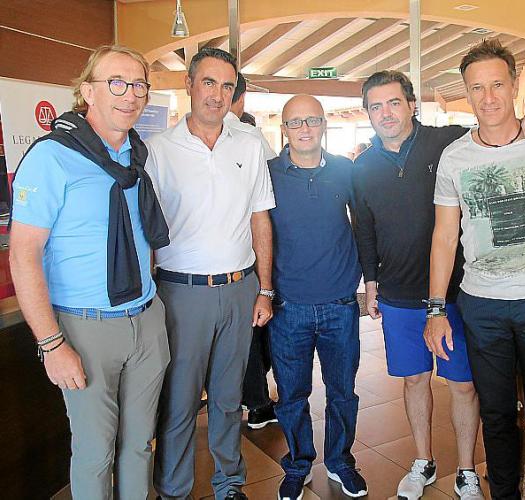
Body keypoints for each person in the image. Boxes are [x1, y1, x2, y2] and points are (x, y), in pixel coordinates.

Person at [352, 69, 525, 499]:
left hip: (457, 291)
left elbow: (497, 127)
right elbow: (364, 230)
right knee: (414, 380)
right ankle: (423, 461)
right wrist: (371, 281)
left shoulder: (447, 142)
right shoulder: (363, 167)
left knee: (464, 384)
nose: (386, 113)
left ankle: (466, 469)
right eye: (375, 106)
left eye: (394, 103)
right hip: (398, 295)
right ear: (367, 113)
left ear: (411, 105)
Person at [9, 45, 170, 499]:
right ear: (88, 92)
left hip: (146, 319)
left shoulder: (135, 156)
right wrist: (51, 344)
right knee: (95, 453)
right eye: (116, 83)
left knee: (139, 446)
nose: (130, 94)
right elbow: (23, 256)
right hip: (85, 328)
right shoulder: (51, 156)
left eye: (139, 85)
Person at [426, 39, 525, 500]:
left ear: (514, 86)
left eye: (496, 85)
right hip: (482, 304)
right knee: (496, 415)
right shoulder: (455, 157)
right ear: (467, 93)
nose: (488, 97)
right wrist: (436, 309)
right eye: (477, 88)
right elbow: (444, 236)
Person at [147, 47, 275, 500]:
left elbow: (260, 219)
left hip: (239, 288)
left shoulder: (249, 146)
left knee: (227, 397)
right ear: (189, 85)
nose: (217, 95)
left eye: (226, 86)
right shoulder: (158, 150)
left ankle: (229, 483)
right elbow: (145, 231)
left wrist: (265, 289)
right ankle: (174, 489)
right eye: (208, 82)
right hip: (180, 293)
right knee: (180, 400)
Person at [268, 94, 366, 500]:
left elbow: (364, 225)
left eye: (312, 120)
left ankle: (341, 461)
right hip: (287, 305)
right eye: (295, 122)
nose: (304, 128)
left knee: (342, 392)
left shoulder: (346, 170)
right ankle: (298, 463)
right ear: (284, 129)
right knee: (292, 395)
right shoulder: (268, 173)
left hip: (340, 304)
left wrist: (367, 280)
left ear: (324, 125)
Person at [226, 73, 278, 431]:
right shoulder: (250, 137)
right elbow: (272, 195)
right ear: (242, 99)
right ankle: (257, 401)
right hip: (252, 254)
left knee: (244, 331)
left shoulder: (178, 140)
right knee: (257, 329)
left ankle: (247, 397)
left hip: (223, 262)